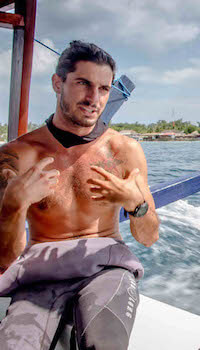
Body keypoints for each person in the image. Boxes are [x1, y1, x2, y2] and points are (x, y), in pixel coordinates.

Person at [0, 40, 159, 349]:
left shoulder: (124, 151)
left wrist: (135, 204)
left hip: (106, 268)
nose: (94, 98)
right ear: (58, 83)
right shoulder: (16, 156)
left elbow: (149, 237)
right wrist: (14, 205)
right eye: (83, 84)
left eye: (103, 88)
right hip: (40, 274)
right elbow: (4, 258)